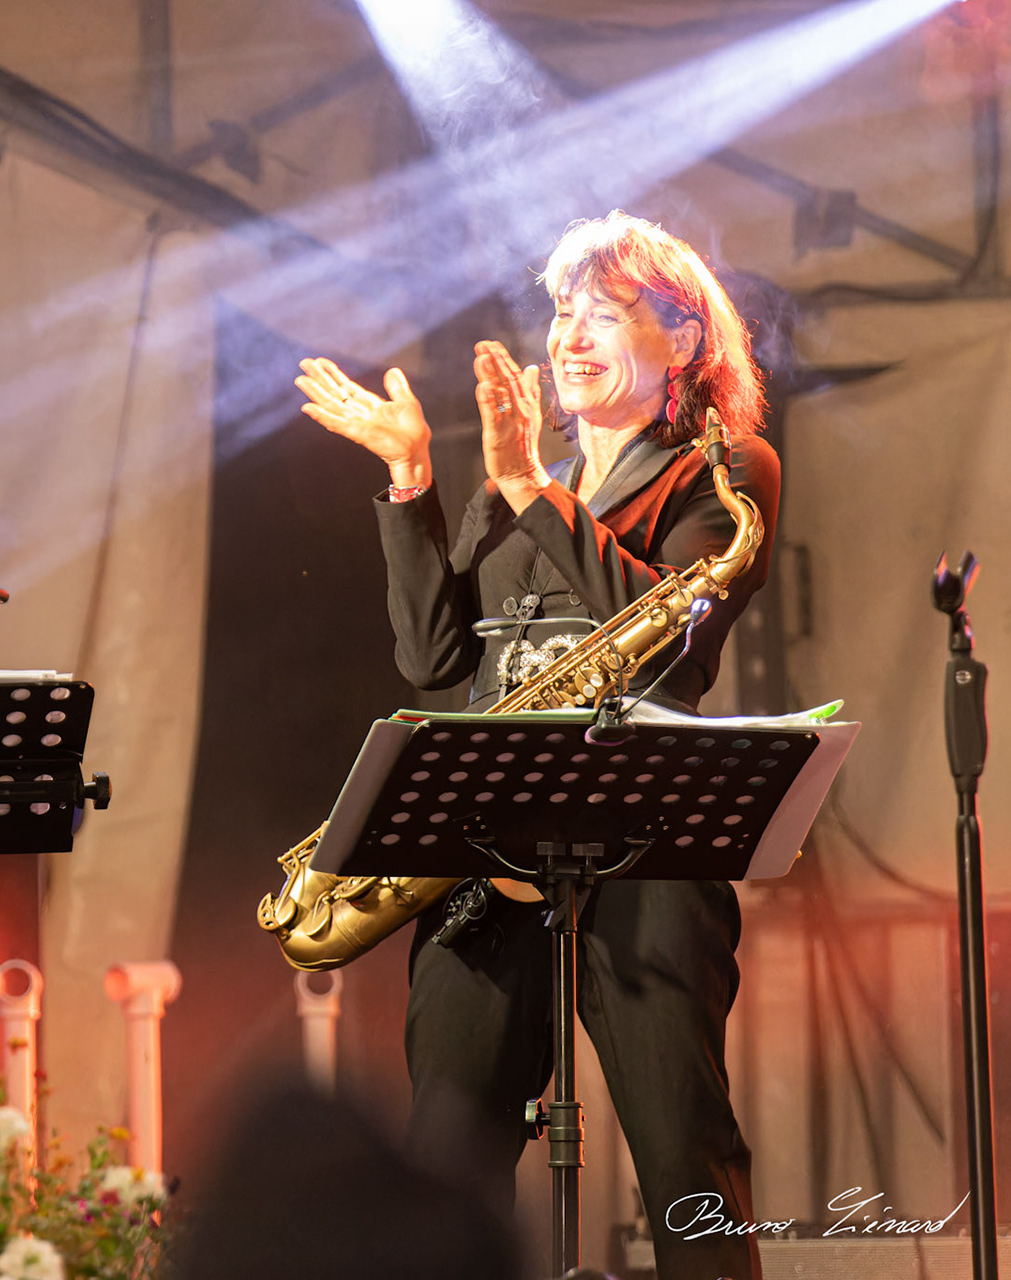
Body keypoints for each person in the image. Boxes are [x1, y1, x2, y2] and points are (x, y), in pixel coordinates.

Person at [295, 211, 779, 1280]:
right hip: (488, 858)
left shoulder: (722, 469)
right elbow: (429, 654)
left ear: (684, 339)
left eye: (602, 313)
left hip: (647, 855)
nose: (568, 334)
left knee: (685, 1164)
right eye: (561, 311)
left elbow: (653, 641)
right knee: (444, 1168)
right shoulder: (523, 477)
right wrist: (414, 481)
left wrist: (530, 488)